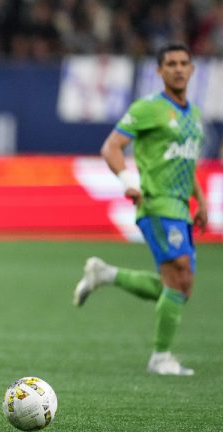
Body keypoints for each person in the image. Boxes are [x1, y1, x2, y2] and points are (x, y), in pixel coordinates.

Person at [73, 42, 206, 376]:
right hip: (156, 203)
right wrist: (126, 180)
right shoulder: (149, 108)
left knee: (178, 286)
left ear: (191, 69)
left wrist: (200, 201)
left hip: (181, 207)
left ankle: (106, 274)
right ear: (159, 71)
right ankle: (161, 358)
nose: (178, 68)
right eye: (171, 63)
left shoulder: (194, 114)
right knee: (180, 277)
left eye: (183, 63)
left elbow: (185, 163)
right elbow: (111, 146)